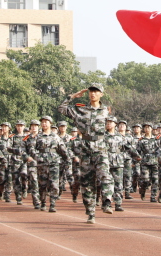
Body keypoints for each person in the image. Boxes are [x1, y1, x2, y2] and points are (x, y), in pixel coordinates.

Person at [58, 83, 114, 224]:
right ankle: (90, 212)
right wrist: (72, 96)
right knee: (87, 183)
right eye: (91, 91)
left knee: (105, 175)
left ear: (101, 94)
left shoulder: (106, 111)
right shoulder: (80, 109)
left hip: (100, 148)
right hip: (85, 149)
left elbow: (112, 128)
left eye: (96, 91)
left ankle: (107, 202)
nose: (93, 93)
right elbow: (61, 108)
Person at [23, 116, 69, 212]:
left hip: (54, 163)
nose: (44, 124)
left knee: (54, 184)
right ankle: (43, 202)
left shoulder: (56, 136)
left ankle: (52, 204)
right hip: (42, 163)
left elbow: (62, 149)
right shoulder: (37, 136)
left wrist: (67, 159)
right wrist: (37, 157)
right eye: (42, 122)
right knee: (42, 185)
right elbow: (31, 149)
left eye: (46, 122)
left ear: (50, 124)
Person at [105, 116, 140, 211]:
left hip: (118, 162)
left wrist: (137, 155)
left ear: (115, 124)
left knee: (118, 184)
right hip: (106, 162)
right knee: (106, 184)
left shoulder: (120, 136)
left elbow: (128, 147)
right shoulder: (103, 136)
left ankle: (118, 203)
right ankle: (107, 203)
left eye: (111, 122)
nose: (108, 124)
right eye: (107, 122)